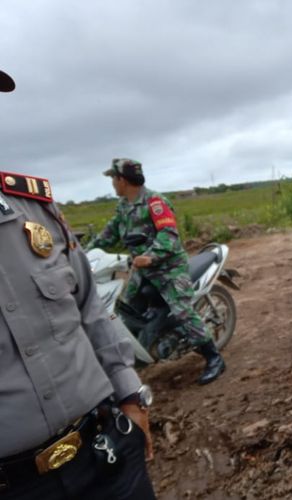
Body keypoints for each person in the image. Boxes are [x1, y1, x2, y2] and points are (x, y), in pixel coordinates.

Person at [0, 69, 156, 499]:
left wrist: (130, 397)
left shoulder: (33, 211)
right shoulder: (117, 209)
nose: (115, 183)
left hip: (106, 450)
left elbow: (91, 309)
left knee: (177, 306)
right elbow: (106, 236)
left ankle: (207, 351)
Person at [87, 158, 225, 385]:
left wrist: (150, 256)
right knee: (126, 309)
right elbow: (108, 235)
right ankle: (142, 351)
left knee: (182, 312)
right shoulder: (124, 206)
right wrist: (81, 251)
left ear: (123, 179)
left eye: (113, 178)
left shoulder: (155, 202)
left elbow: (169, 235)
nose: (112, 183)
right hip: (142, 270)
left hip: (169, 268)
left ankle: (214, 358)